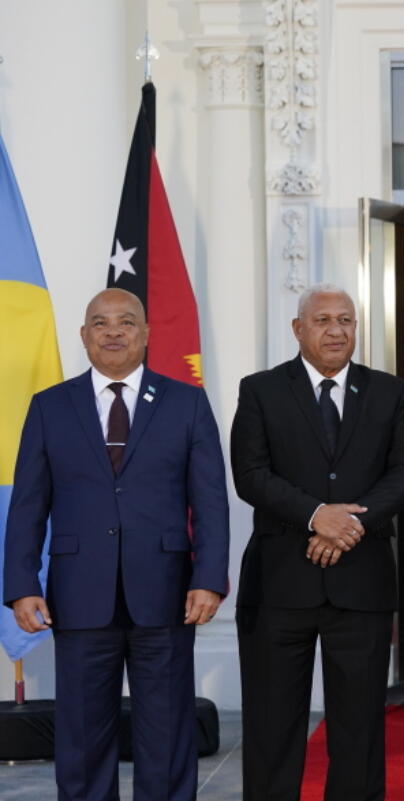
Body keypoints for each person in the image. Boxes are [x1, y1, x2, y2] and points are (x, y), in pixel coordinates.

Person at [3, 288, 229, 801]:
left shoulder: (186, 402)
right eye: (100, 323)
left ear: (146, 334)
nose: (112, 332)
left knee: (168, 733)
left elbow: (210, 502)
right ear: (83, 336)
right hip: (80, 597)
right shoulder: (50, 407)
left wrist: (209, 580)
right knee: (82, 736)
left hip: (168, 595)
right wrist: (21, 586)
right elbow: (28, 505)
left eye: (126, 322)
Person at [231, 283, 404, 800]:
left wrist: (347, 526)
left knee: (358, 731)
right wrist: (317, 516)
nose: (336, 330)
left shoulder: (387, 391)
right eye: (323, 320)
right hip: (279, 587)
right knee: (272, 730)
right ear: (298, 329)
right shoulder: (261, 390)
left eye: (346, 320)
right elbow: (250, 475)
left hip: (361, 587)